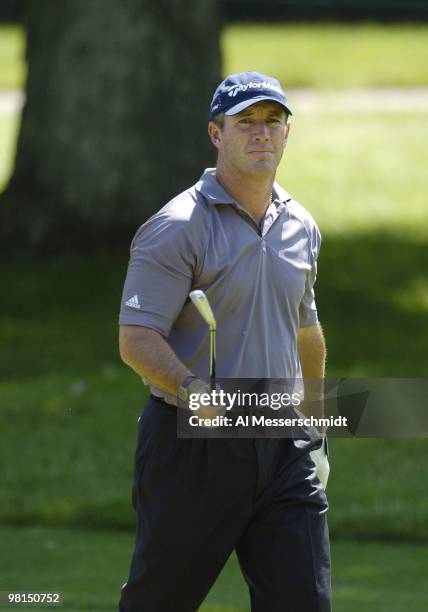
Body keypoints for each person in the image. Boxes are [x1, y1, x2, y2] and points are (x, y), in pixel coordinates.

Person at [117, 71, 331, 612]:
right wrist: (192, 390)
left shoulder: (300, 225)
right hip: (195, 447)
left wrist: (316, 421)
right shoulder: (177, 225)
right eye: (246, 123)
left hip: (282, 444)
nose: (262, 134)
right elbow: (136, 337)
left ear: (287, 134)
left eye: (273, 122)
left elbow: (306, 329)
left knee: (303, 602)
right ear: (217, 134)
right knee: (159, 601)